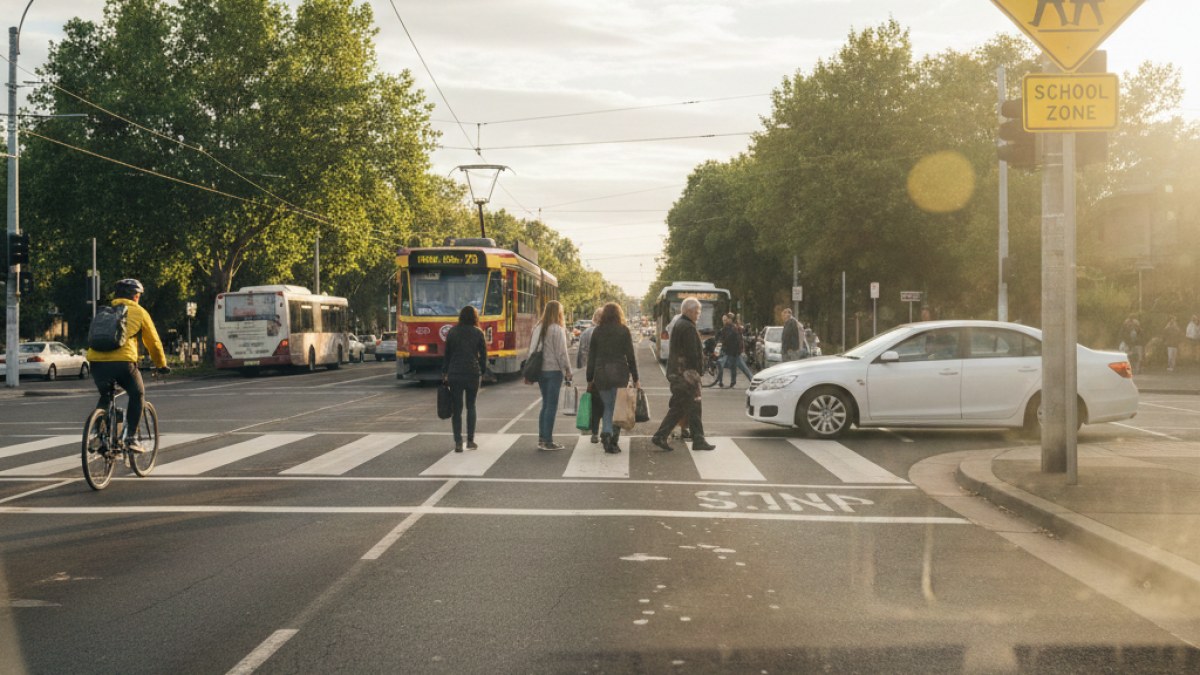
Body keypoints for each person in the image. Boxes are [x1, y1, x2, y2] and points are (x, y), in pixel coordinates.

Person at [87, 279, 170, 454]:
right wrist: (161, 364)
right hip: (123, 363)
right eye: (138, 295)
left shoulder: (103, 311)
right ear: (135, 296)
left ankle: (97, 433)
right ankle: (131, 438)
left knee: (106, 395)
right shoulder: (139, 312)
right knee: (137, 393)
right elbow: (153, 343)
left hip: (95, 363)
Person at [651, 297, 715, 452]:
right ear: (689, 311)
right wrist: (698, 370)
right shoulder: (687, 327)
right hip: (687, 375)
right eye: (697, 311)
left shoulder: (681, 324)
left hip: (679, 373)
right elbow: (692, 353)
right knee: (691, 407)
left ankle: (665, 436)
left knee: (682, 407)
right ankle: (696, 440)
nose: (699, 314)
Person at [586, 303, 641, 454]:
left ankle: (606, 432)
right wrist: (636, 377)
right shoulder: (624, 330)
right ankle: (613, 440)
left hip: (601, 373)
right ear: (619, 314)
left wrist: (589, 377)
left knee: (608, 406)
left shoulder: (597, 331)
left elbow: (592, 356)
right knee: (618, 408)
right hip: (619, 373)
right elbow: (630, 356)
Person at [442, 305, 488, 452]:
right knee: (471, 406)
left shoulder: (453, 332)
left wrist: (445, 372)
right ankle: (470, 441)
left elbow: (447, 354)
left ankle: (457, 442)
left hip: (455, 372)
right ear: (475, 317)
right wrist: (482, 370)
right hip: (472, 373)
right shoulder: (478, 332)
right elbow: (483, 355)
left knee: (457, 408)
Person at [528, 300, 572, 450]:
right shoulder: (557, 329)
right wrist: (568, 370)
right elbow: (562, 353)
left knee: (545, 404)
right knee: (551, 406)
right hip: (554, 370)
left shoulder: (538, 328)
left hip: (541, 371)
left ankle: (542, 438)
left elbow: (532, 349)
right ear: (558, 312)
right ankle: (548, 441)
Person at [575, 308, 605, 443]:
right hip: (605, 372)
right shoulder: (606, 332)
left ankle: (594, 433)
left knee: (594, 403)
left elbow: (581, 351)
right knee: (607, 403)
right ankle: (606, 430)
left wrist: (582, 366)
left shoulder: (586, 332)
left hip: (591, 373)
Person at [716, 313, 753, 387]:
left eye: (725, 320)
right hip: (729, 352)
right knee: (725, 366)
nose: (724, 321)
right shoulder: (725, 329)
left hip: (734, 352)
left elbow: (734, 339)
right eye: (723, 320)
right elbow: (720, 338)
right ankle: (726, 382)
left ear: (730, 320)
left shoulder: (733, 328)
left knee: (743, 368)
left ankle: (752, 381)